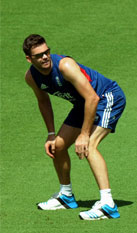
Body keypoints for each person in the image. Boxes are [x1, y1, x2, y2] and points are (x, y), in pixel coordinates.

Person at [23, 34, 125, 220]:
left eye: (47, 52)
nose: (45, 57)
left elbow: (93, 98)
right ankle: (66, 196)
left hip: (106, 97)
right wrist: (51, 134)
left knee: (89, 146)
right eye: (39, 55)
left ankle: (108, 204)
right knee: (58, 147)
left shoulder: (65, 66)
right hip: (83, 104)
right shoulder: (31, 77)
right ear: (29, 59)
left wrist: (84, 134)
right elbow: (43, 101)